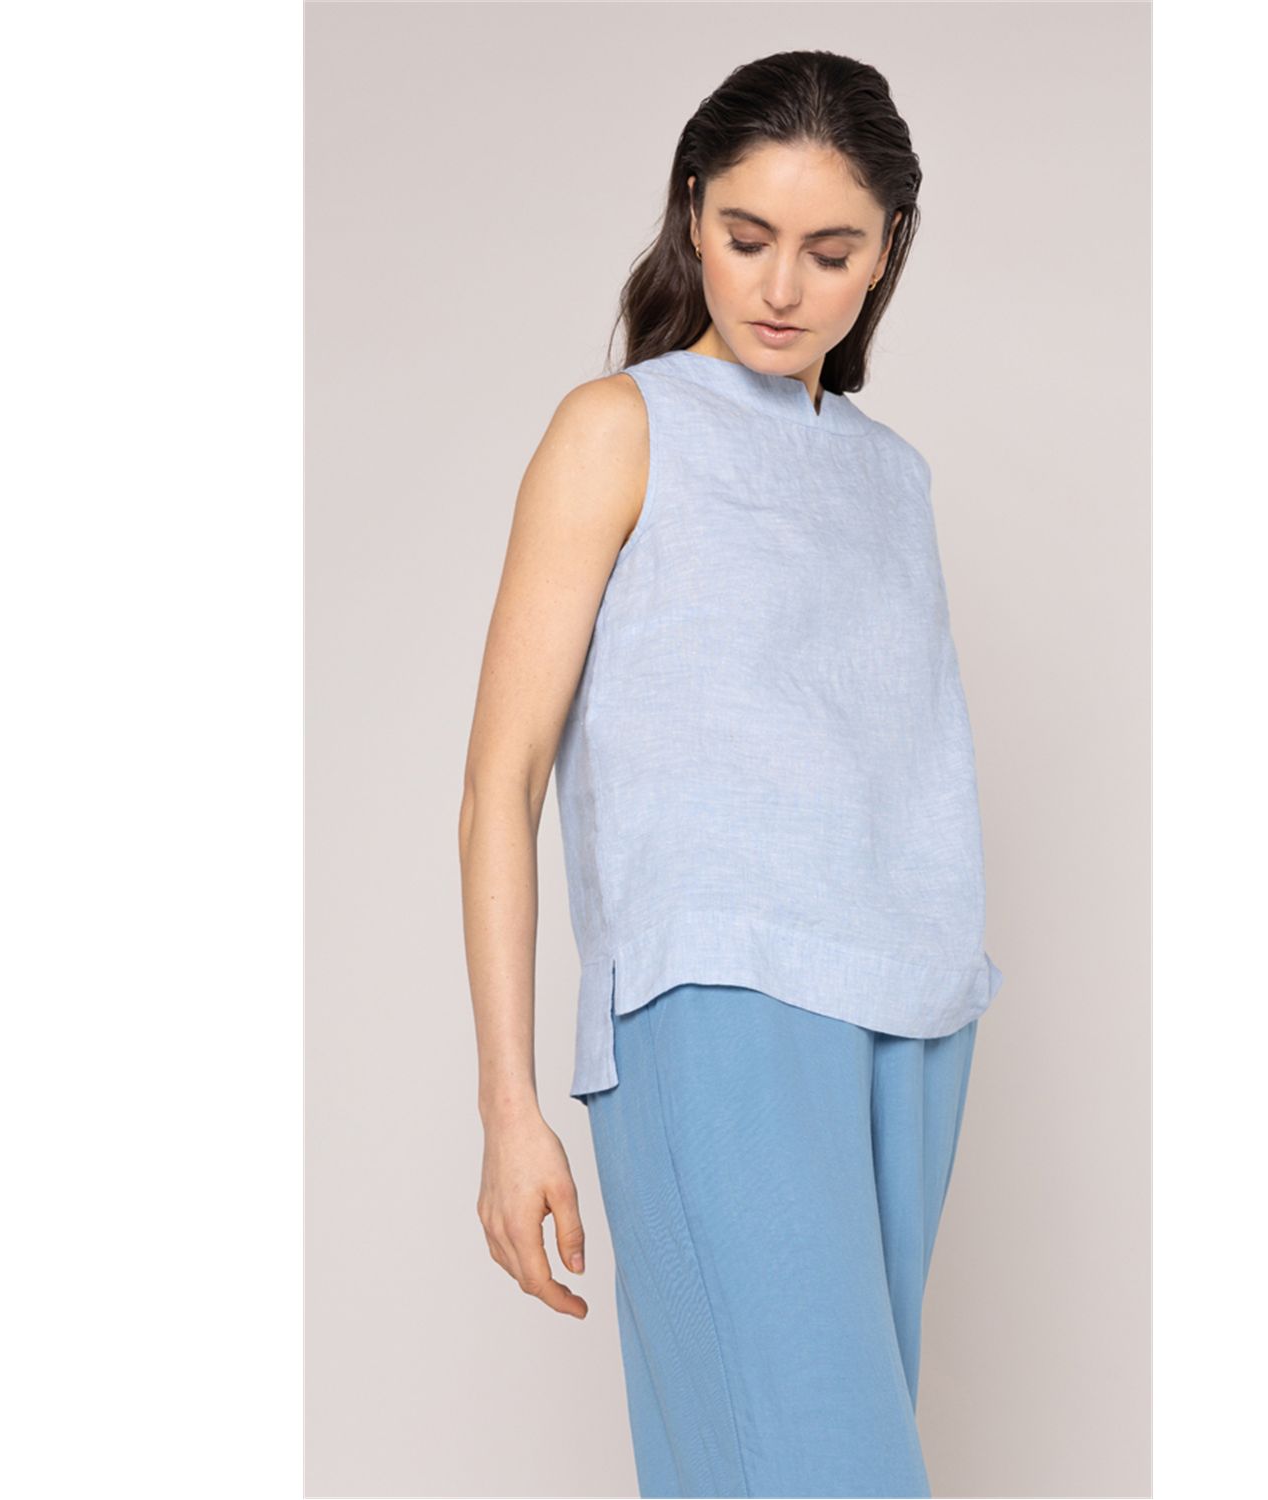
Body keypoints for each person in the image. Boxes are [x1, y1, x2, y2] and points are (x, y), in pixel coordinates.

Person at [458, 48, 1004, 1499]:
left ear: (887, 250)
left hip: (917, 1014)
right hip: (713, 1004)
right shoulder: (619, 428)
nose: (781, 288)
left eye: (831, 253)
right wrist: (510, 1105)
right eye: (747, 237)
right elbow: (503, 780)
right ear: (691, 212)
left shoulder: (893, 479)